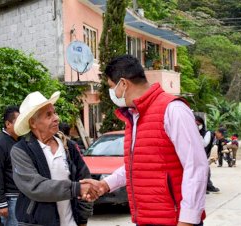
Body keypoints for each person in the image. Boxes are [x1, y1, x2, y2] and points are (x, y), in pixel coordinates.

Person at [81, 55, 208, 226]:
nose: (113, 94)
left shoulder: (173, 110)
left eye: (112, 87)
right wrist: (105, 184)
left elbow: (196, 166)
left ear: (124, 84)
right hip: (147, 218)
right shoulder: (134, 116)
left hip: (175, 220)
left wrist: (187, 220)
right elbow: (138, 164)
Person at [10, 91, 94, 226]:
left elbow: (84, 179)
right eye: (48, 115)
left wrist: (83, 218)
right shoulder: (21, 151)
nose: (56, 118)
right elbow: (35, 187)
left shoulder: (68, 147)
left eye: (54, 112)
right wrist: (75, 189)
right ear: (33, 123)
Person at [0, 106, 20, 226]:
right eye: (18, 121)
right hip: (11, 199)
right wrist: (1, 203)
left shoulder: (19, 141)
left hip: (23, 197)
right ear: (8, 124)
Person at [194, 115, 220, 194]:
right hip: (192, 156)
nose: (197, 126)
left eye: (198, 124)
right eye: (195, 124)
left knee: (205, 171)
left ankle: (207, 186)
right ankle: (201, 188)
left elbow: (204, 144)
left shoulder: (207, 133)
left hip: (202, 155)